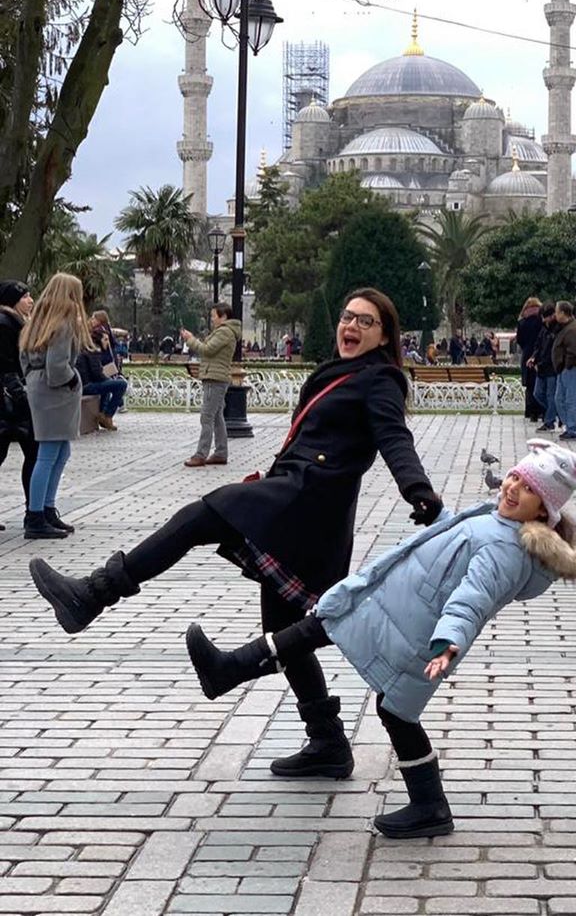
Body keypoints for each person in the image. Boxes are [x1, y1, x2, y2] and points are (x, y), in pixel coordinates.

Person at [30, 287, 444, 779]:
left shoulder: (381, 380)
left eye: (365, 322)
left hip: (305, 506)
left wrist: (418, 490)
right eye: (347, 317)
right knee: (282, 628)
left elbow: (396, 440)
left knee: (199, 516)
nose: (350, 327)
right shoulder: (345, 372)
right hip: (292, 498)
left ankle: (94, 595)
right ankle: (328, 742)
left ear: (384, 335)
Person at [185, 439, 576, 838]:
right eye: (515, 477)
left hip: (417, 633)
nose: (514, 487)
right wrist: (439, 515)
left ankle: (430, 806)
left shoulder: (504, 549)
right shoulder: (498, 525)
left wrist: (447, 641)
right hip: (391, 610)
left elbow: (473, 599)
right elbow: (457, 544)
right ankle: (228, 670)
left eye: (529, 488)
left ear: (544, 510)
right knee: (322, 632)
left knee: (394, 709)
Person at [19, 272, 91, 539]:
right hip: (56, 392)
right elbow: (58, 367)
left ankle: (45, 510)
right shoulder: (64, 322)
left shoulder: (37, 320)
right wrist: (73, 380)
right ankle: (36, 515)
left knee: (59, 452)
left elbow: (24, 358)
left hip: (39, 387)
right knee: (49, 454)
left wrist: (32, 378)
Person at [180, 303, 243, 467]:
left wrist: (190, 339)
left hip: (215, 378)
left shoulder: (224, 332)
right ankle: (221, 452)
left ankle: (201, 454)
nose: (212, 319)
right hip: (216, 376)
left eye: (214, 316)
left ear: (223, 317)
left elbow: (207, 350)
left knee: (207, 416)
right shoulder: (226, 332)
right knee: (216, 416)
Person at [0, 279, 37, 520]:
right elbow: (7, 366)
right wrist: (21, 396)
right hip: (10, 402)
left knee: (33, 453)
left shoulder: (19, 323)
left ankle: (34, 509)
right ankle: (33, 511)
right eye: (25, 296)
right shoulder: (5, 324)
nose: (30, 300)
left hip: (15, 399)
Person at [75, 337, 127, 431]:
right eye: (105, 340)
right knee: (121, 384)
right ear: (99, 341)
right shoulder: (93, 350)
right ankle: (108, 415)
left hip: (83, 384)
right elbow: (97, 374)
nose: (108, 342)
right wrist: (108, 378)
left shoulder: (89, 350)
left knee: (107, 385)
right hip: (86, 386)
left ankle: (103, 414)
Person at [551, 301, 576, 441]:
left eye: (557, 312)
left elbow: (574, 351)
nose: (555, 314)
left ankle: (573, 429)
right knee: (559, 398)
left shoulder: (571, 330)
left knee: (570, 399)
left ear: (563, 313)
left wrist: (567, 365)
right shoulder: (565, 327)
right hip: (563, 368)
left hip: (570, 368)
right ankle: (569, 425)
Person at [530, 304, 559, 431]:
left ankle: (549, 421)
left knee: (550, 395)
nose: (544, 320)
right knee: (538, 393)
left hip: (551, 367)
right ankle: (554, 412)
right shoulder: (544, 329)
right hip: (541, 367)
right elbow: (538, 345)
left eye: (546, 317)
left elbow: (552, 351)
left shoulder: (557, 329)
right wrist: (533, 357)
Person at [514, 298, 544, 420]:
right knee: (540, 382)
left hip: (527, 354)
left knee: (530, 385)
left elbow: (519, 340)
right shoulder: (541, 321)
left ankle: (530, 412)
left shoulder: (522, 322)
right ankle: (541, 410)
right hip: (540, 354)